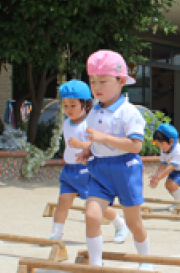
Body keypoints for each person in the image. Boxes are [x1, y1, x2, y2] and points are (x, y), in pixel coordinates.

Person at [73, 50, 152, 273]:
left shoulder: (130, 112)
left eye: (103, 81)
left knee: (133, 222)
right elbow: (97, 140)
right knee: (91, 215)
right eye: (93, 81)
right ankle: (96, 268)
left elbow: (135, 146)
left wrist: (103, 138)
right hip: (100, 169)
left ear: (120, 81)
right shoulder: (94, 110)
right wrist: (88, 150)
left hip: (125, 169)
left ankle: (146, 260)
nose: (96, 87)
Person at [49, 80, 130, 243]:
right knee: (63, 201)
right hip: (70, 170)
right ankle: (56, 232)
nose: (68, 110)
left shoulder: (89, 123)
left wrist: (82, 145)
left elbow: (97, 144)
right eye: (65, 105)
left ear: (85, 105)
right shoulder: (66, 123)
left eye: (73, 105)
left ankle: (120, 224)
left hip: (87, 170)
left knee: (98, 205)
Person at [149, 123, 180, 210]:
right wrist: (157, 175)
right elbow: (163, 164)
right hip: (177, 169)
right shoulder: (164, 149)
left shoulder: (178, 151)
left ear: (171, 141)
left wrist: (158, 178)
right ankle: (178, 202)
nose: (159, 146)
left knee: (171, 184)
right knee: (168, 185)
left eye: (161, 143)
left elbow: (170, 168)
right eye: (157, 143)